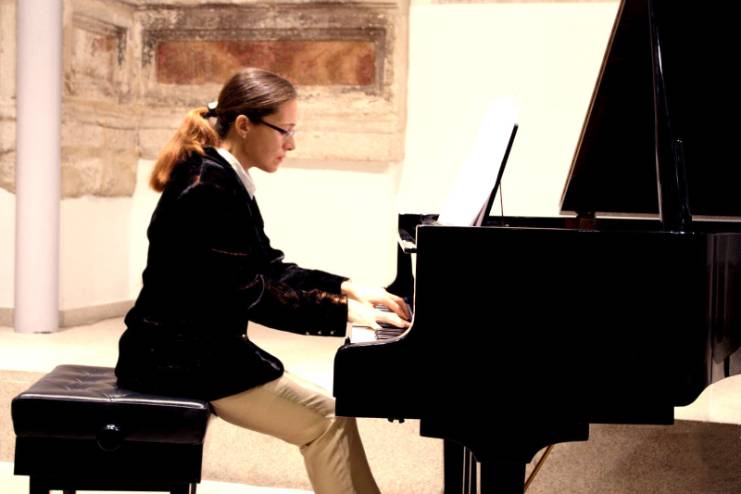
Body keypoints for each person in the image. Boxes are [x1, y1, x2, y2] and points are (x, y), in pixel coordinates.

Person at [115, 67, 411, 494]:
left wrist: (347, 287)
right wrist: (344, 313)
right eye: (284, 130)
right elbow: (251, 294)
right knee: (327, 420)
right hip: (177, 361)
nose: (291, 143)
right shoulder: (207, 188)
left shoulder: (221, 176)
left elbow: (267, 266)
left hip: (195, 352)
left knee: (332, 414)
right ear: (243, 124)